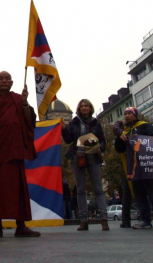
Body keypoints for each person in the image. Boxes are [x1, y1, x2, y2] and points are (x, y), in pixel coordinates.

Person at [0, 71, 40, 238]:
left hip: (14, 151)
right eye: (0, 78)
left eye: (7, 78)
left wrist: (26, 103)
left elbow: (29, 121)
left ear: (12, 83)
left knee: (17, 188)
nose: (4, 81)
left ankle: (21, 226)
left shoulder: (19, 100)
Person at [115, 107, 153, 230]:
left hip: (147, 166)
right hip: (133, 168)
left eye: (129, 113)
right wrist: (119, 138)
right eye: (125, 114)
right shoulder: (125, 131)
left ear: (135, 115)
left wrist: (141, 137)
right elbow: (119, 149)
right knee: (139, 195)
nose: (127, 116)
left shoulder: (145, 126)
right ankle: (145, 220)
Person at [62, 99, 109, 231]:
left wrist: (99, 147)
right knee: (80, 190)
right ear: (79, 108)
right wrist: (64, 129)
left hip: (93, 156)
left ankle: (104, 220)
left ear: (90, 108)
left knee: (98, 189)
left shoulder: (96, 123)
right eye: (82, 106)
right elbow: (68, 139)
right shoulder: (74, 122)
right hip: (78, 156)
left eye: (86, 106)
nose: (84, 108)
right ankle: (83, 220)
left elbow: (103, 141)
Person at [113, 120, 134, 228]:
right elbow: (118, 148)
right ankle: (126, 221)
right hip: (128, 167)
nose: (127, 117)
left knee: (145, 192)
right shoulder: (122, 134)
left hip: (140, 165)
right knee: (126, 193)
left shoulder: (142, 127)